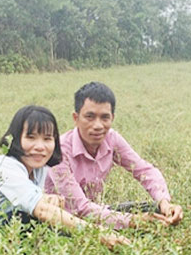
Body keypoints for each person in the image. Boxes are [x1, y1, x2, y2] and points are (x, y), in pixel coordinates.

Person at [0, 105, 129, 255]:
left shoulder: (40, 170)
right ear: (14, 140)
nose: (40, 147)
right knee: (32, 219)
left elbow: (44, 204)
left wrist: (49, 199)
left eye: (47, 139)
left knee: (51, 223)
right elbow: (43, 211)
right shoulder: (5, 168)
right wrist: (99, 234)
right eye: (31, 137)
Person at [45, 82, 183, 229]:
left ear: (112, 118)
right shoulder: (58, 150)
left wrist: (165, 203)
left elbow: (144, 170)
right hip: (64, 220)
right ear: (76, 118)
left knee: (156, 209)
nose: (98, 125)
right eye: (90, 117)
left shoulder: (112, 139)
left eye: (105, 118)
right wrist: (133, 221)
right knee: (142, 222)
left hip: (97, 212)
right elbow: (79, 208)